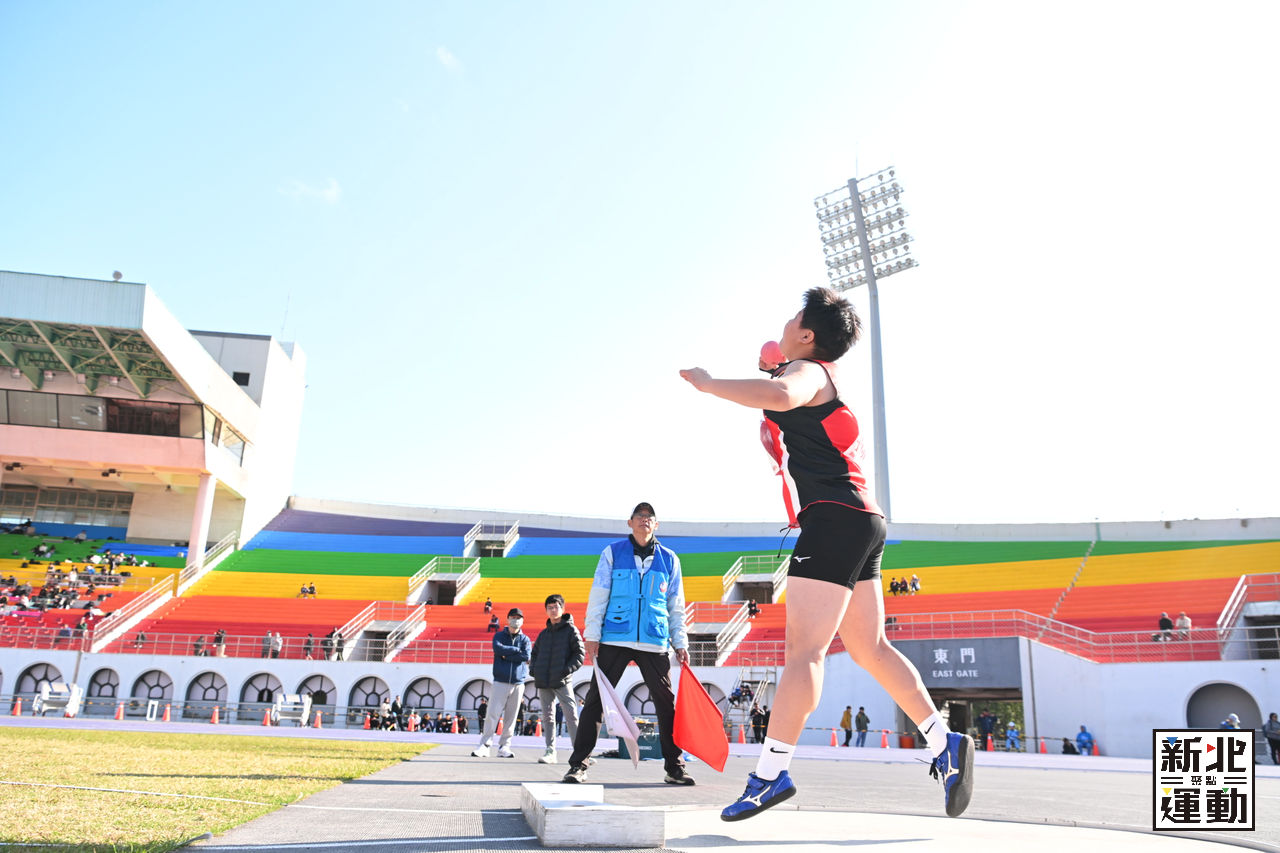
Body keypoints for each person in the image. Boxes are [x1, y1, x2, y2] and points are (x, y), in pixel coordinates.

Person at [682, 288, 974, 822]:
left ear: (808, 334)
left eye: (794, 317)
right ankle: (944, 742)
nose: (786, 322)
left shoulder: (809, 372)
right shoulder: (819, 374)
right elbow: (782, 394)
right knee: (870, 647)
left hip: (834, 519)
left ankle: (770, 774)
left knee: (804, 653)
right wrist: (772, 373)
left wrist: (709, 384)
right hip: (862, 519)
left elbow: (783, 395)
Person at [561, 502, 694, 787]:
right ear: (630, 522)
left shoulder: (670, 560)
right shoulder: (612, 553)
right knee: (596, 700)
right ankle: (578, 765)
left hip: (654, 640)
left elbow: (676, 605)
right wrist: (592, 635)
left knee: (666, 704)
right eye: (640, 516)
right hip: (615, 637)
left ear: (656, 525)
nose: (645, 520)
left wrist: (680, 641)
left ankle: (675, 767)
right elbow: (599, 594)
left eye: (650, 517)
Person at [529, 593, 585, 765]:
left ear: (562, 608)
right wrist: (534, 671)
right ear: (546, 610)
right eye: (550, 607)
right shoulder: (544, 634)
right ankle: (550, 750)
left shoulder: (571, 630)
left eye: (556, 607)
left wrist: (565, 671)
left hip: (562, 681)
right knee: (548, 717)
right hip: (544, 681)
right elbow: (535, 654)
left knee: (571, 715)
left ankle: (580, 753)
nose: (553, 610)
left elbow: (579, 654)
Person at [472, 608, 532, 759]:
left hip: (518, 683)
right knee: (492, 714)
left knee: (511, 717)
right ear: (508, 619)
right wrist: (516, 651)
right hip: (500, 681)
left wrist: (507, 655)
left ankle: (505, 746)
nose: (516, 620)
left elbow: (526, 656)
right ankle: (485, 745)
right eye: (513, 617)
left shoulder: (525, 639)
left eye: (518, 617)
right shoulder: (499, 636)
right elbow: (498, 649)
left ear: (522, 621)